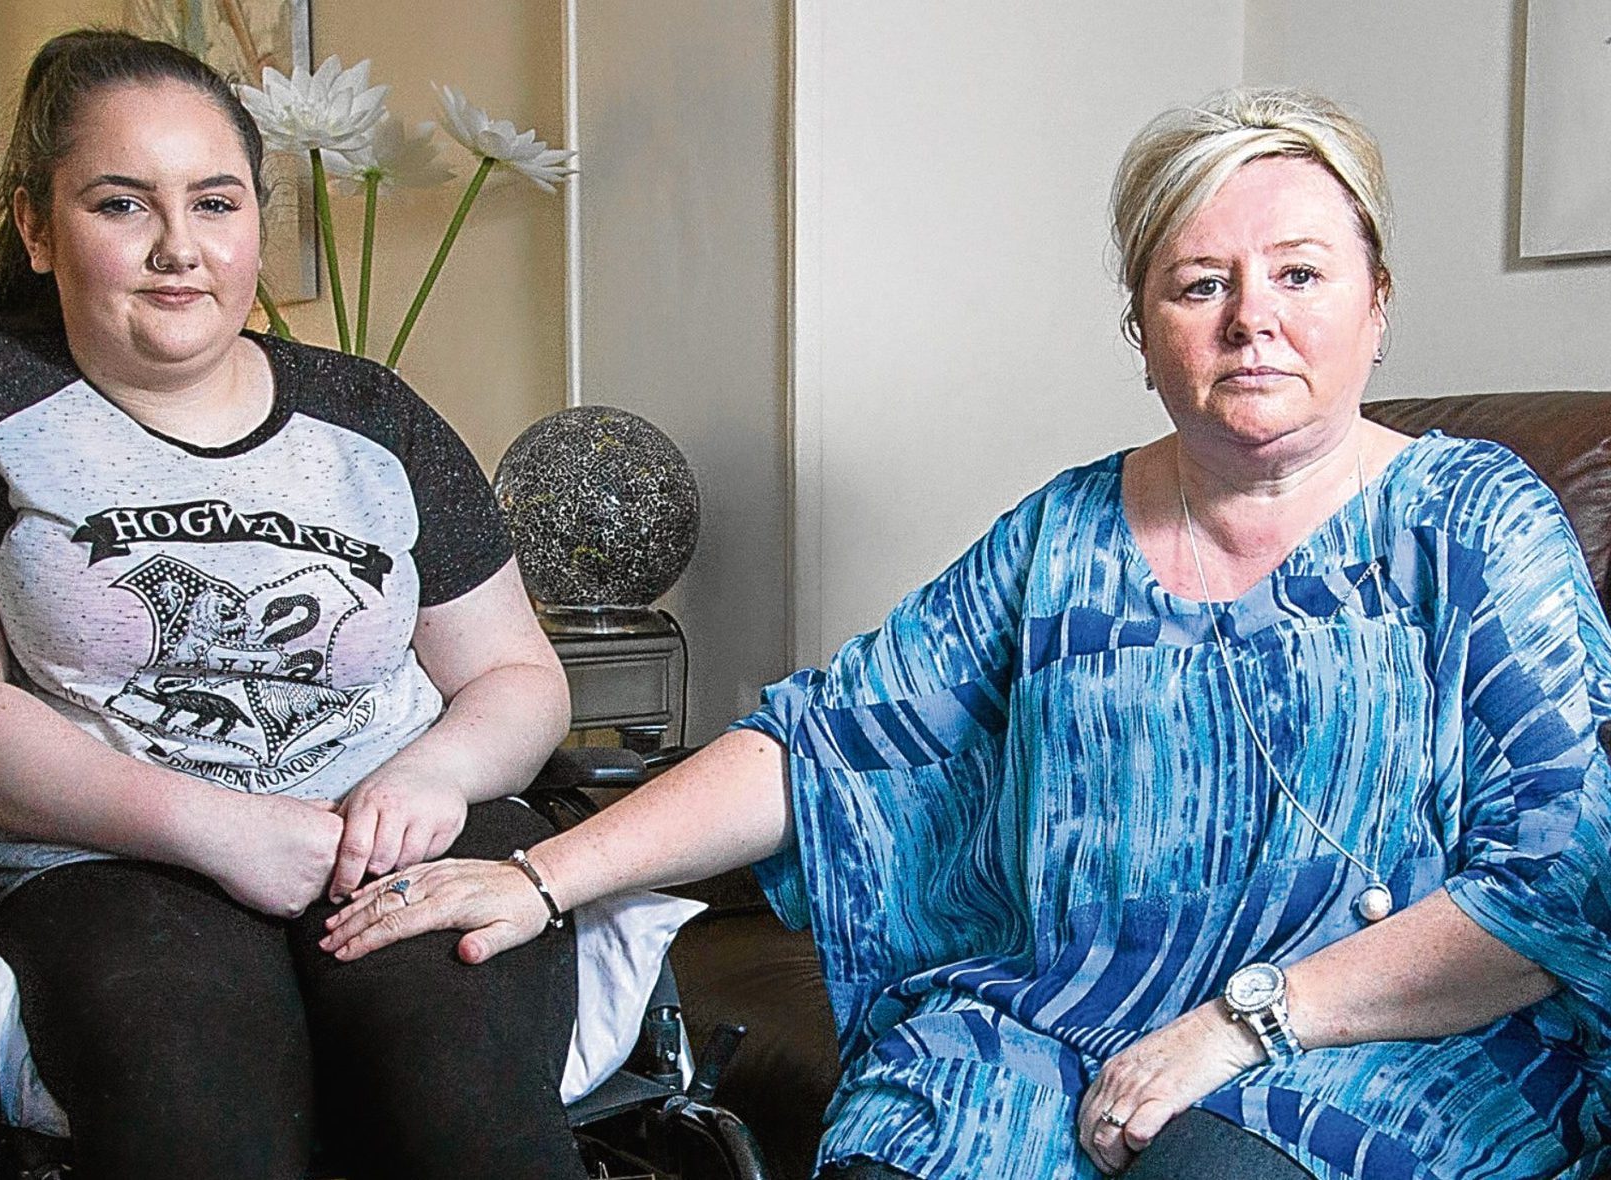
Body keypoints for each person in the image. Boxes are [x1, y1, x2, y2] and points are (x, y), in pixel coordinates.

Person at [324, 89, 1611, 1179]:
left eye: (1298, 274)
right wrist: (544, 877)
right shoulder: (1063, 534)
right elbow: (822, 741)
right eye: (1198, 283)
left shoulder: (1470, 519)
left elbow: (1558, 886)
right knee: (914, 1138)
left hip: (1373, 1039)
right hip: (1063, 1017)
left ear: (1376, 303)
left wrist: (1241, 1021)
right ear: (1142, 331)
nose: (1249, 318)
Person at [0, 30, 587, 1180]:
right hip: (111, 855)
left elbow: (519, 676)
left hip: (395, 830)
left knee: (464, 1103)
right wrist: (212, 825)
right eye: (120, 205)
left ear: (255, 222)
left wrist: (430, 778)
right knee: (202, 1118)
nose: (178, 250)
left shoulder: (370, 411)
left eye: (215, 202)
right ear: (38, 229)